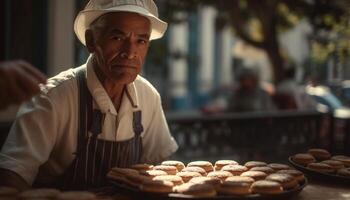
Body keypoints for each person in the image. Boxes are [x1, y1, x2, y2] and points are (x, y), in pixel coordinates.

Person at [0, 0, 178, 191]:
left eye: (141, 41)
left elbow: (160, 169)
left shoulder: (148, 96)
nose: (130, 52)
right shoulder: (53, 97)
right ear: (91, 41)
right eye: (117, 38)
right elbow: (12, 176)